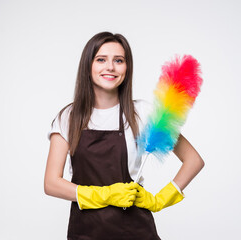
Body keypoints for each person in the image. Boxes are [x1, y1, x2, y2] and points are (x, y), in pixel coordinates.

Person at [44, 32, 204, 240]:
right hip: (85, 232)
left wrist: (160, 200)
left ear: (127, 69)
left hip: (136, 231)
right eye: (101, 59)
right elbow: (51, 183)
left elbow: (193, 160)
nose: (110, 67)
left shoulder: (142, 113)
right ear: (88, 66)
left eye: (118, 60)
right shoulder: (69, 117)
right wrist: (105, 195)